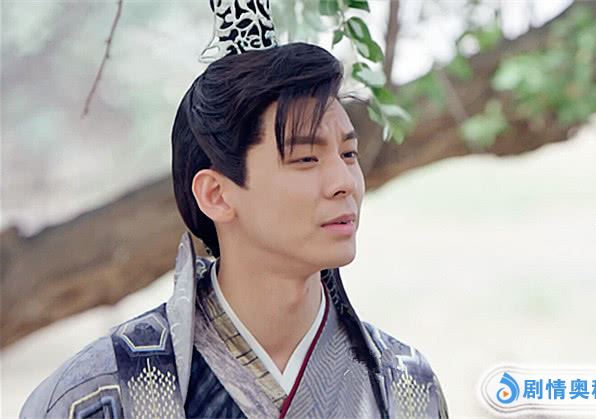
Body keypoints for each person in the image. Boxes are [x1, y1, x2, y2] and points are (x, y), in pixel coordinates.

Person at [20, 1, 448, 418]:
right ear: (217, 195)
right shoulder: (99, 394)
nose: (345, 183)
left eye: (349, 154)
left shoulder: (404, 389)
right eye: (305, 158)